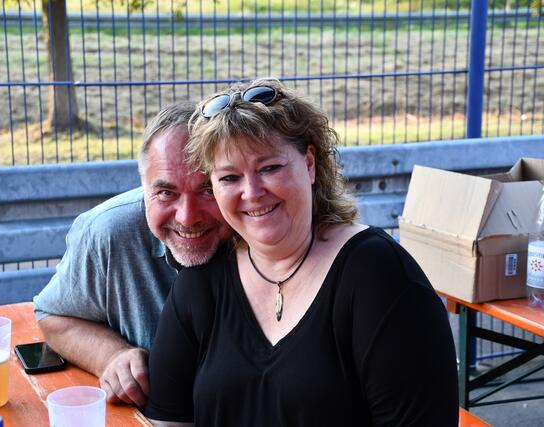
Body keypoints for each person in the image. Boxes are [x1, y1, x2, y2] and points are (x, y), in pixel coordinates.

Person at [144, 79, 459, 426]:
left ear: (309, 163)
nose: (252, 192)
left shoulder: (380, 277)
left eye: (269, 168)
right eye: (230, 177)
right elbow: (168, 419)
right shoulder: (202, 282)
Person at [33, 102, 232, 408]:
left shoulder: (262, 233)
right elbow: (54, 316)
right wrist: (110, 355)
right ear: (143, 188)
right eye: (166, 193)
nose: (188, 217)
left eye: (208, 190)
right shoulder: (109, 232)